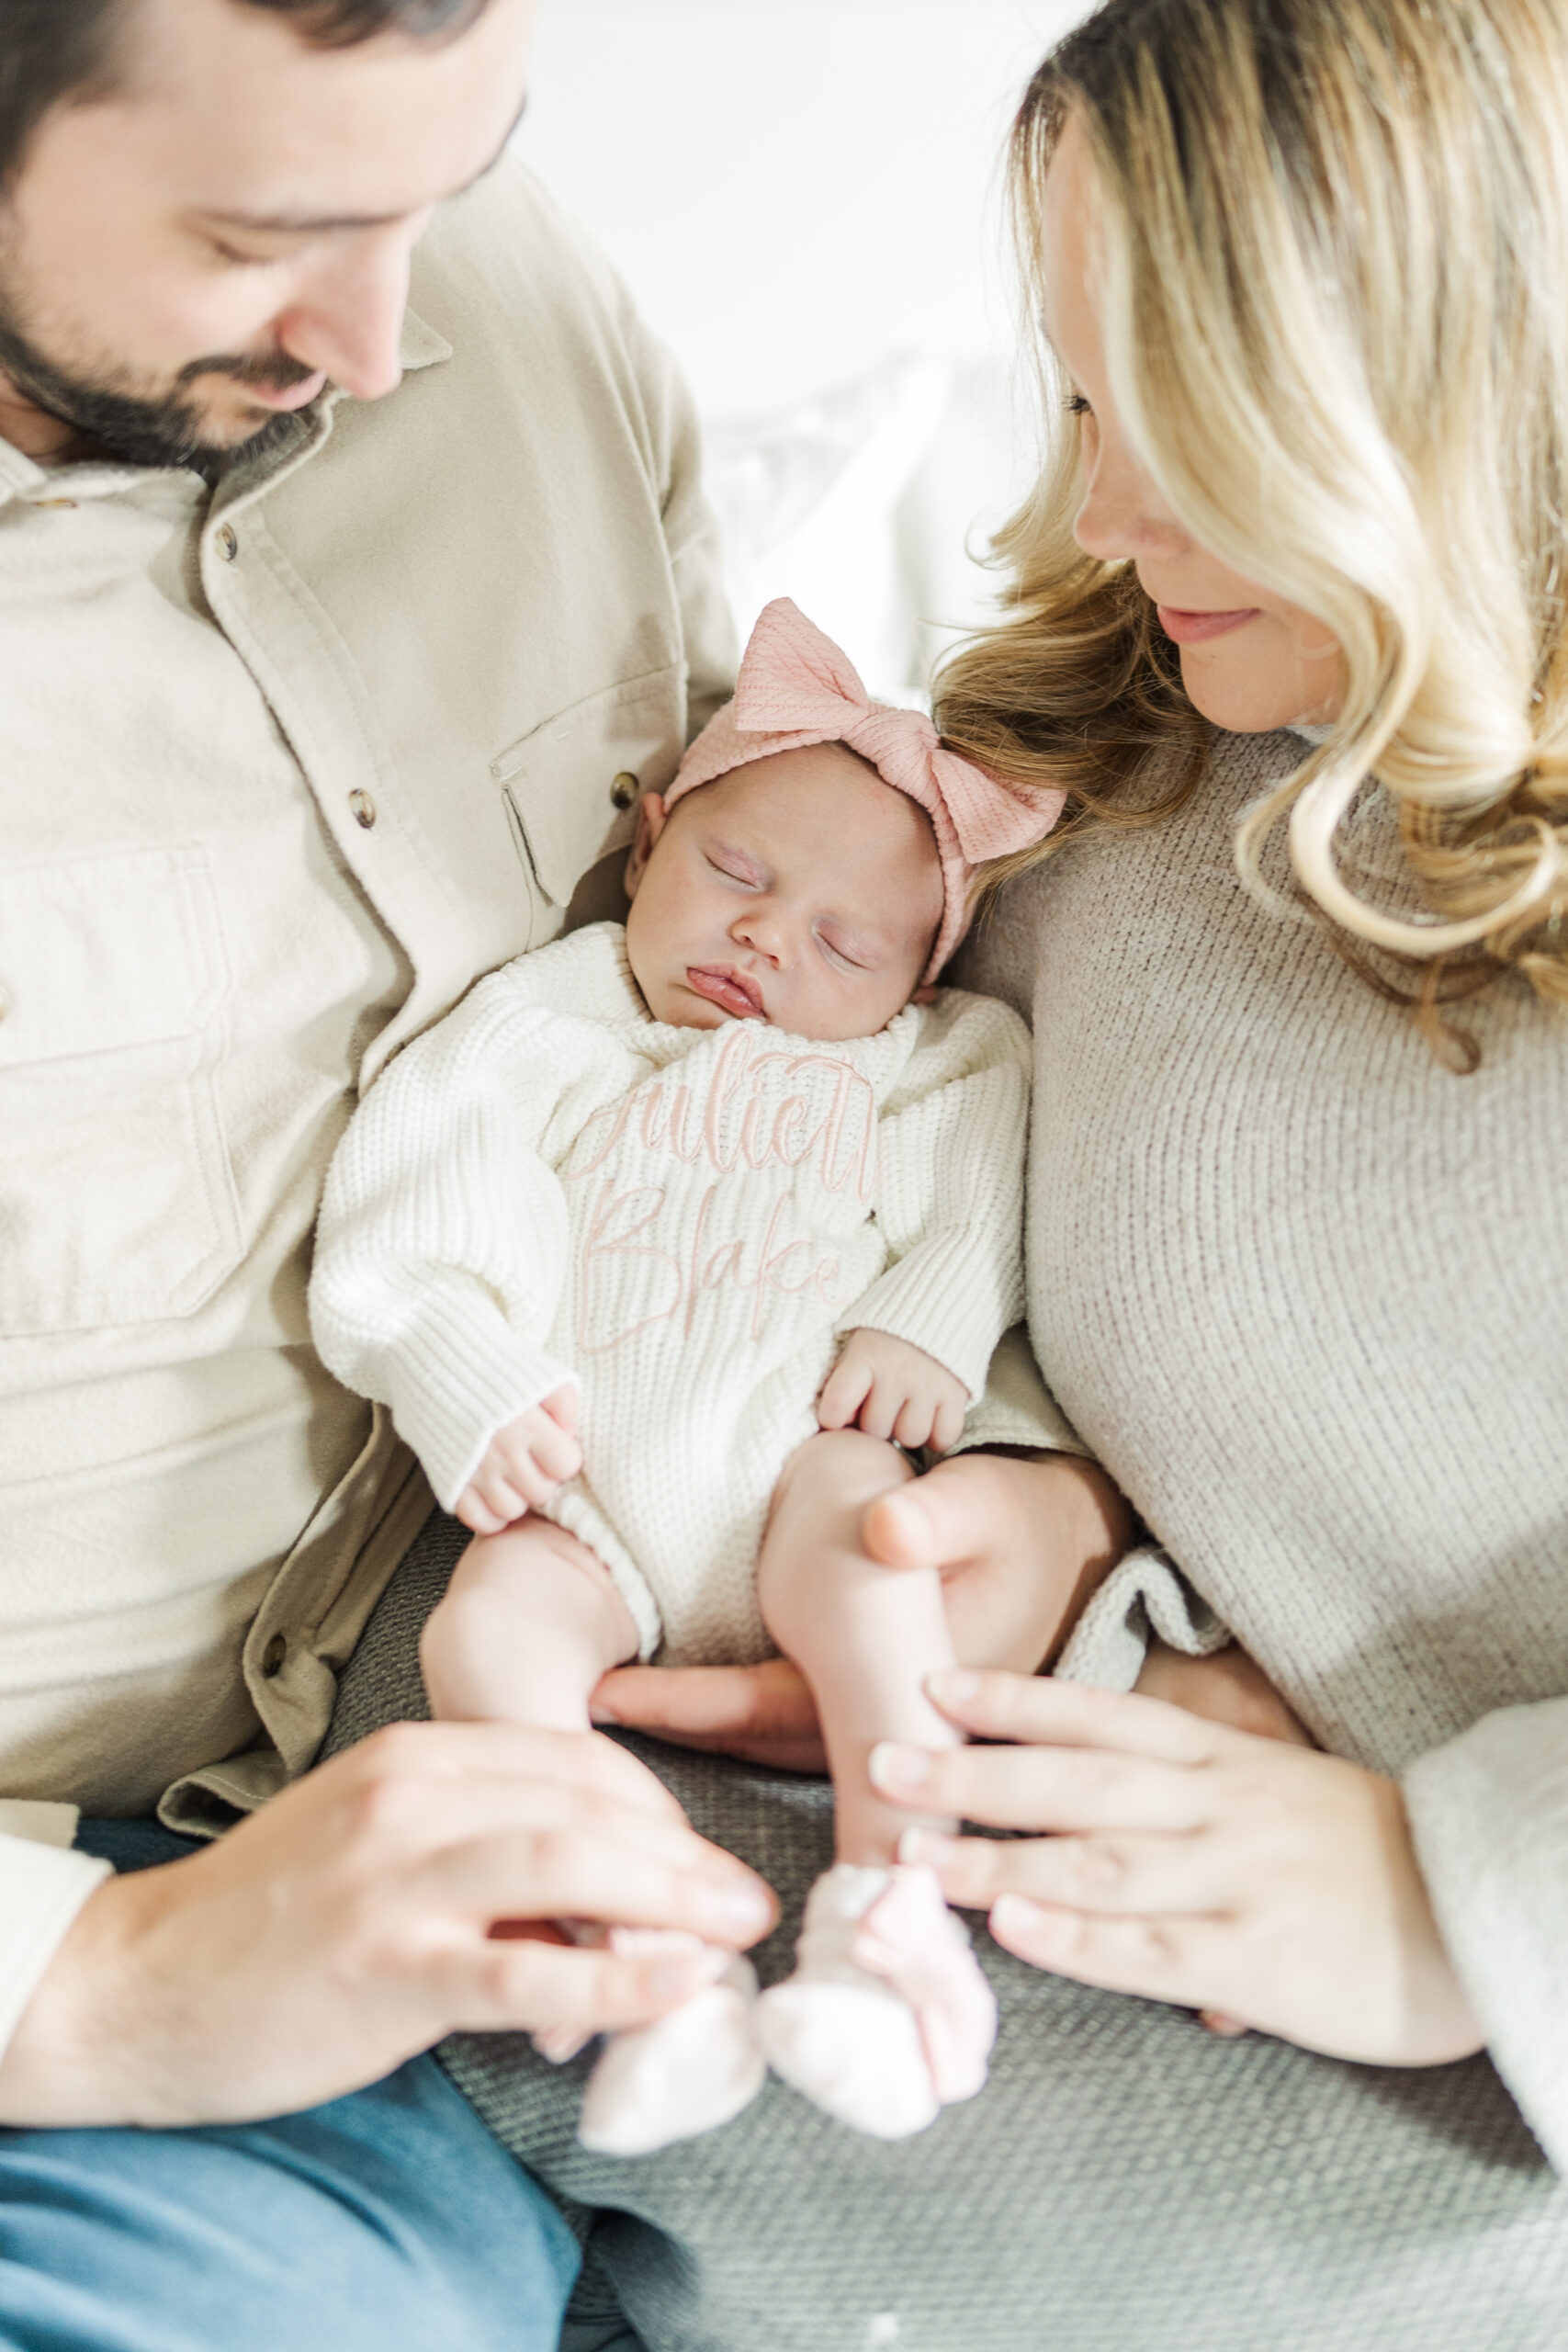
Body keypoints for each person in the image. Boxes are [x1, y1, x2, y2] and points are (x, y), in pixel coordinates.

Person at [326, 0, 1564, 2343]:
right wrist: (1054, 1514)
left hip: (1175, 2216)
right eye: (1079, 397)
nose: (1099, 510)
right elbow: (873, 1204)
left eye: (1185, 418)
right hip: (496, 2093)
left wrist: (1458, 1894)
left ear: (1454, 378)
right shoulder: (1085, 785)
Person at [0, 2, 784, 2345]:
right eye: (268, 239)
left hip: (594, 1701)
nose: (388, 337)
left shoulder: (501, 294)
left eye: (448, 185)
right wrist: (110, 1982)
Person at [308, 596, 1068, 2154]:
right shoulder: (549, 1021)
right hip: (580, 1488)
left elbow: (984, 1185)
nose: (769, 938)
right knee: (490, 1636)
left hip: (801, 1447)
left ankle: (890, 1908)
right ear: (647, 839)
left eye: (848, 944)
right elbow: (420, 1193)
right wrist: (466, 1369)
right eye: (733, 872)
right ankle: (645, 1949)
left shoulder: (930, 1059)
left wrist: (926, 1319)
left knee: (881, 1559)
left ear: (917, 978)